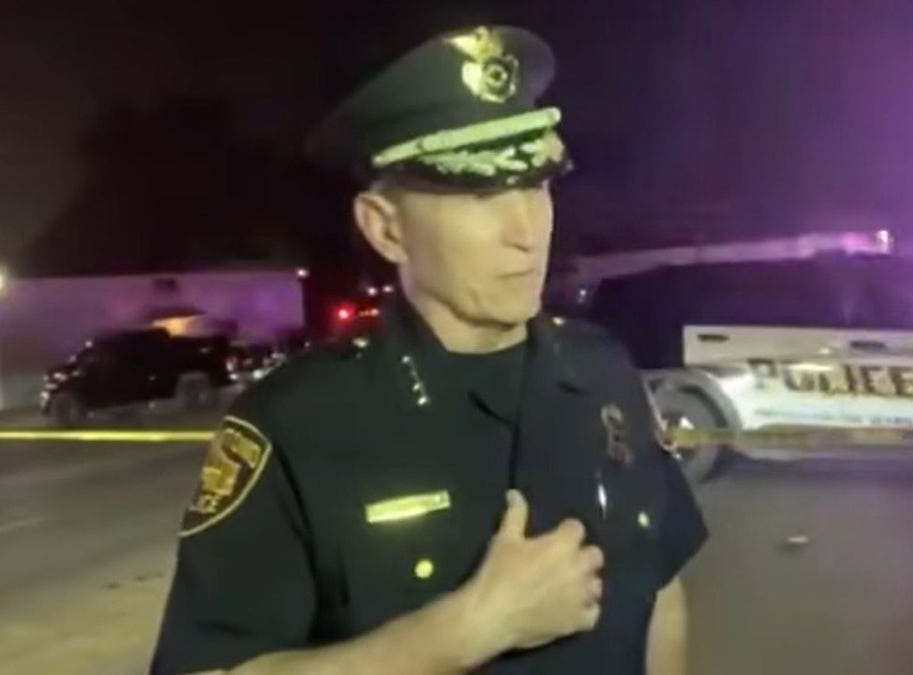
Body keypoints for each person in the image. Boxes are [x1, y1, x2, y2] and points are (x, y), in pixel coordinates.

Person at [150, 25, 708, 675]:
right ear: (385, 228)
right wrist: (467, 628)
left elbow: (662, 592)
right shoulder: (294, 427)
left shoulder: (604, 369)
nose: (526, 233)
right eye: (480, 195)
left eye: (535, 186)